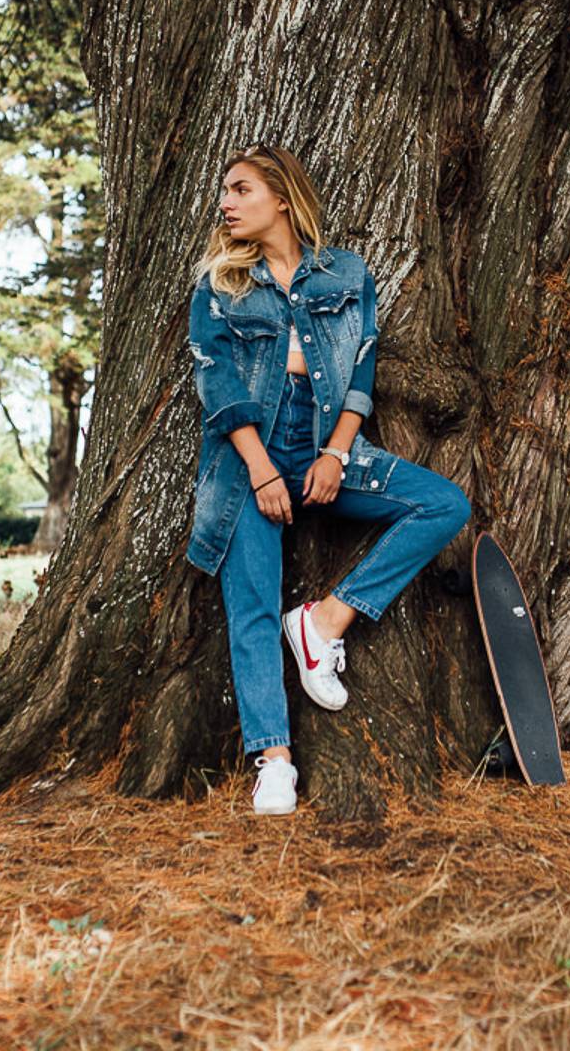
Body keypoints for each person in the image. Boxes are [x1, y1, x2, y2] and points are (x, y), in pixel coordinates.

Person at [184, 142, 472, 815]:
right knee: (251, 602)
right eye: (225, 192)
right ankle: (274, 759)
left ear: (282, 198)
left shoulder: (344, 273)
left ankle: (324, 622)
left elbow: (361, 376)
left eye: (241, 189)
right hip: (246, 454)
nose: (226, 203)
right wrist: (261, 472)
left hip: (322, 446)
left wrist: (337, 455)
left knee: (442, 505)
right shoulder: (219, 285)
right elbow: (217, 384)